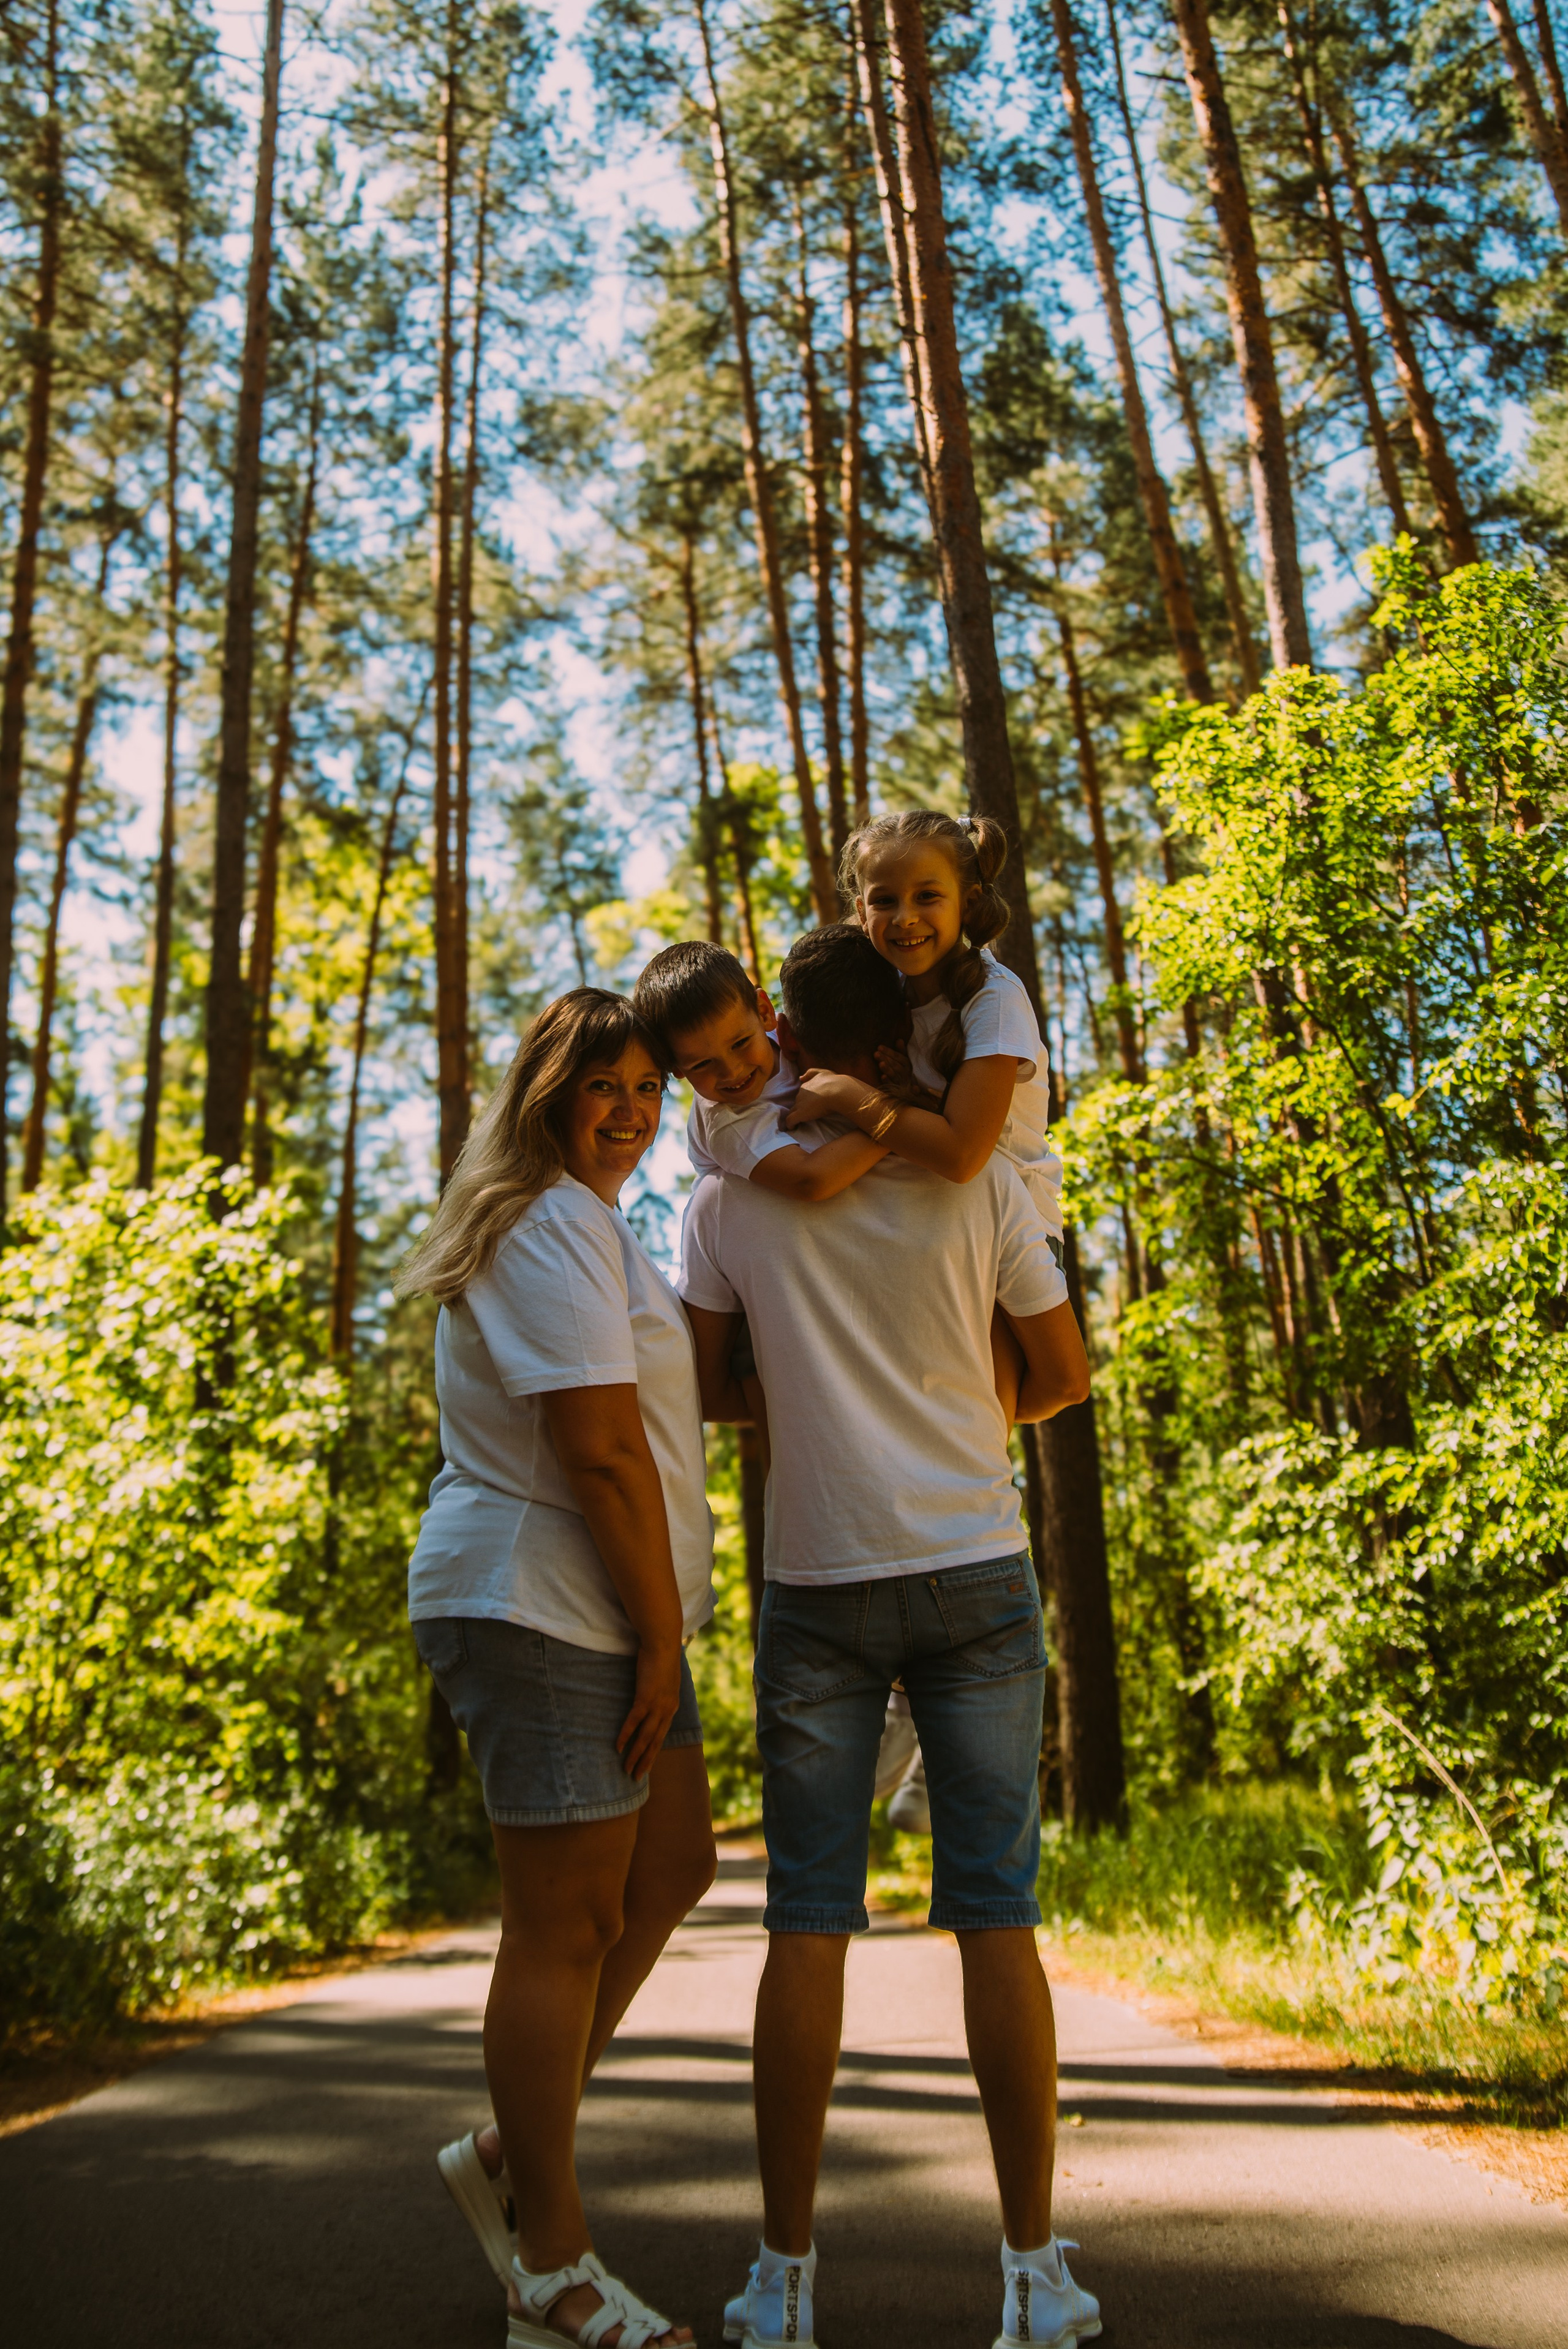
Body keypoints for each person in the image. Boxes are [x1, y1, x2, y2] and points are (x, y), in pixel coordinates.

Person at [676, 925, 1102, 2349]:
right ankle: (1033, 2277)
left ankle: (783, 2283)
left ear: (788, 1038)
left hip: (820, 1577)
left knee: (805, 1923)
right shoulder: (973, 1176)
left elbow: (709, 1393)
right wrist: (962, 1413)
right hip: (973, 1566)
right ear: (898, 1047)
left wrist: (809, 1395)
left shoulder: (719, 1205)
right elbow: (1059, 1377)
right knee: (994, 1918)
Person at [396, 987, 717, 2349]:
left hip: (616, 1608)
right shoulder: (540, 1221)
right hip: (547, 1607)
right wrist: (657, 1633)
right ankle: (552, 2269)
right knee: (564, 1926)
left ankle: (506, 2151)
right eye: (605, 1087)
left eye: (649, 1092)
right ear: (545, 1089)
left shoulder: (593, 1226)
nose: (631, 1113)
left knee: (671, 1867)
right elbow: (595, 1452)